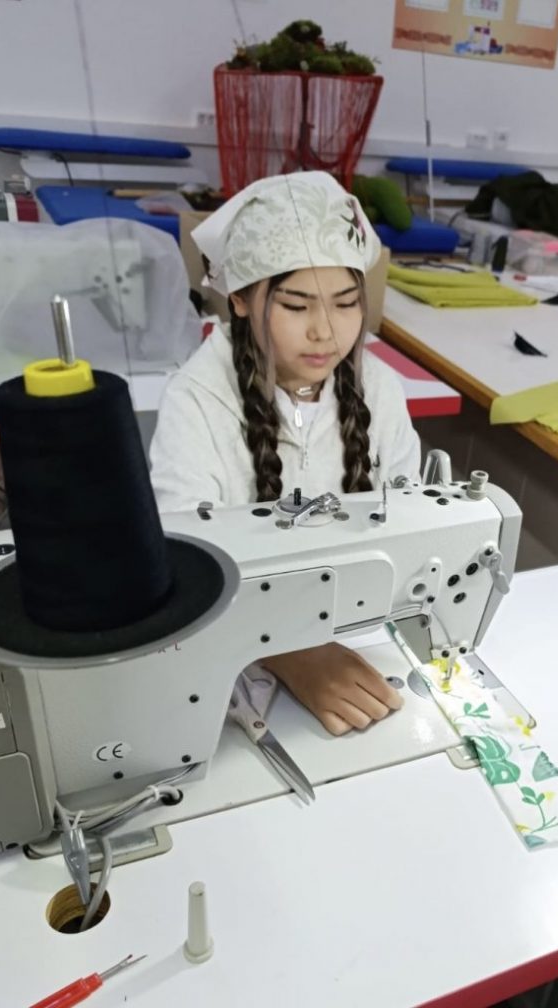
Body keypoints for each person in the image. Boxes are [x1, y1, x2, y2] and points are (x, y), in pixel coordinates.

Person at [150, 171, 421, 736]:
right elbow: (186, 567)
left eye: (347, 304)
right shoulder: (197, 401)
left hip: (357, 632)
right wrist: (289, 652)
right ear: (240, 300)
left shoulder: (379, 389)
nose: (327, 332)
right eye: (297, 306)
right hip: (234, 656)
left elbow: (413, 519)